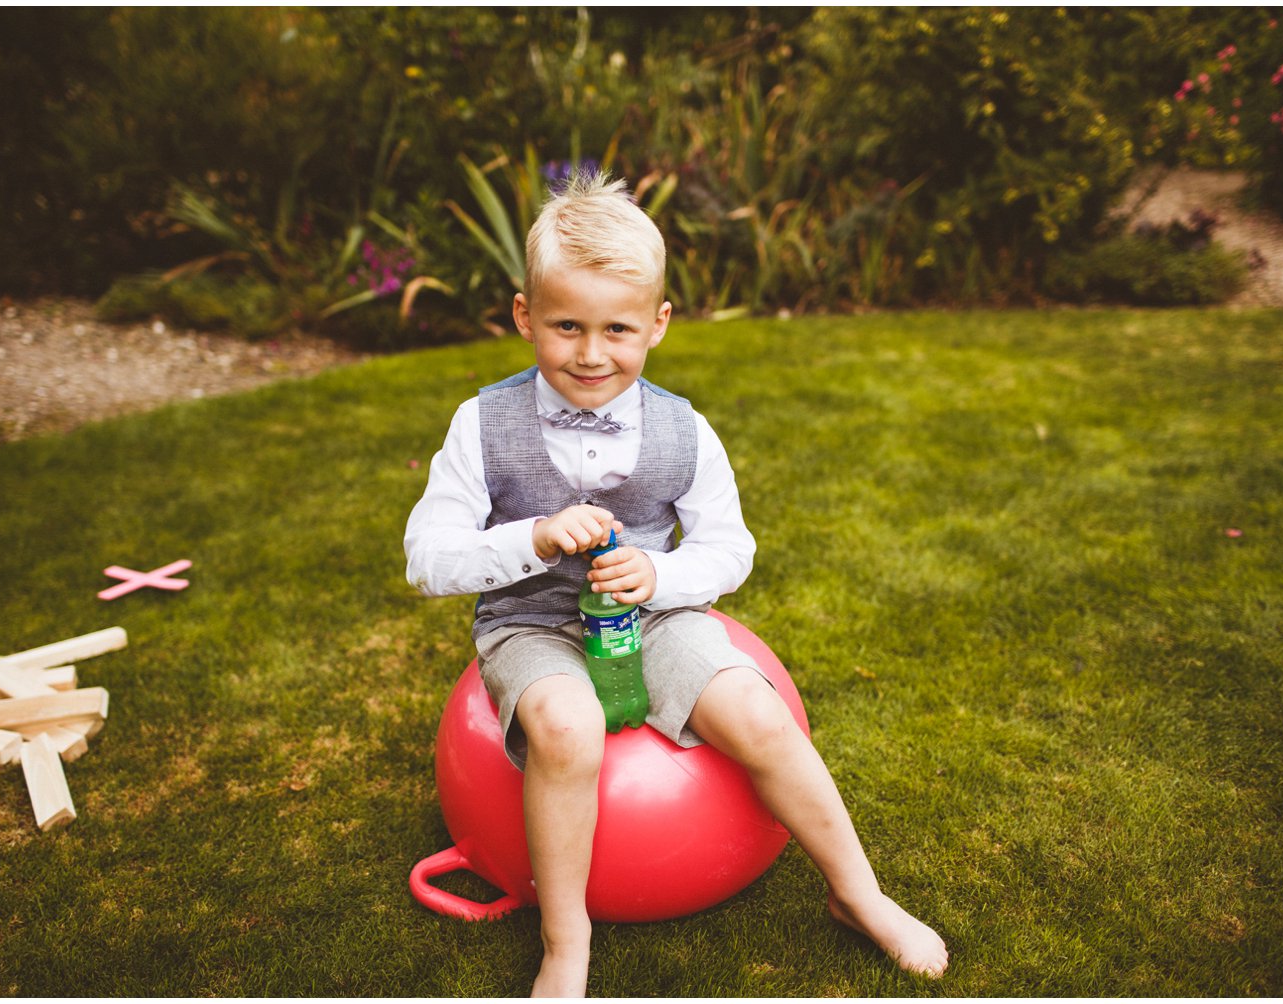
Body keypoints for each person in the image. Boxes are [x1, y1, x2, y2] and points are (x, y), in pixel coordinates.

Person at [404, 171, 948, 996]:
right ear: (525, 316)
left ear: (658, 325)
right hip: (532, 623)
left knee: (758, 711)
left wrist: (658, 573)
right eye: (565, 326)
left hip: (653, 614)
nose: (591, 353)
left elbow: (731, 550)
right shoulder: (482, 424)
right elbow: (426, 557)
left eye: (617, 328)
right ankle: (567, 939)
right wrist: (531, 537)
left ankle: (859, 893)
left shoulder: (685, 429)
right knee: (567, 727)